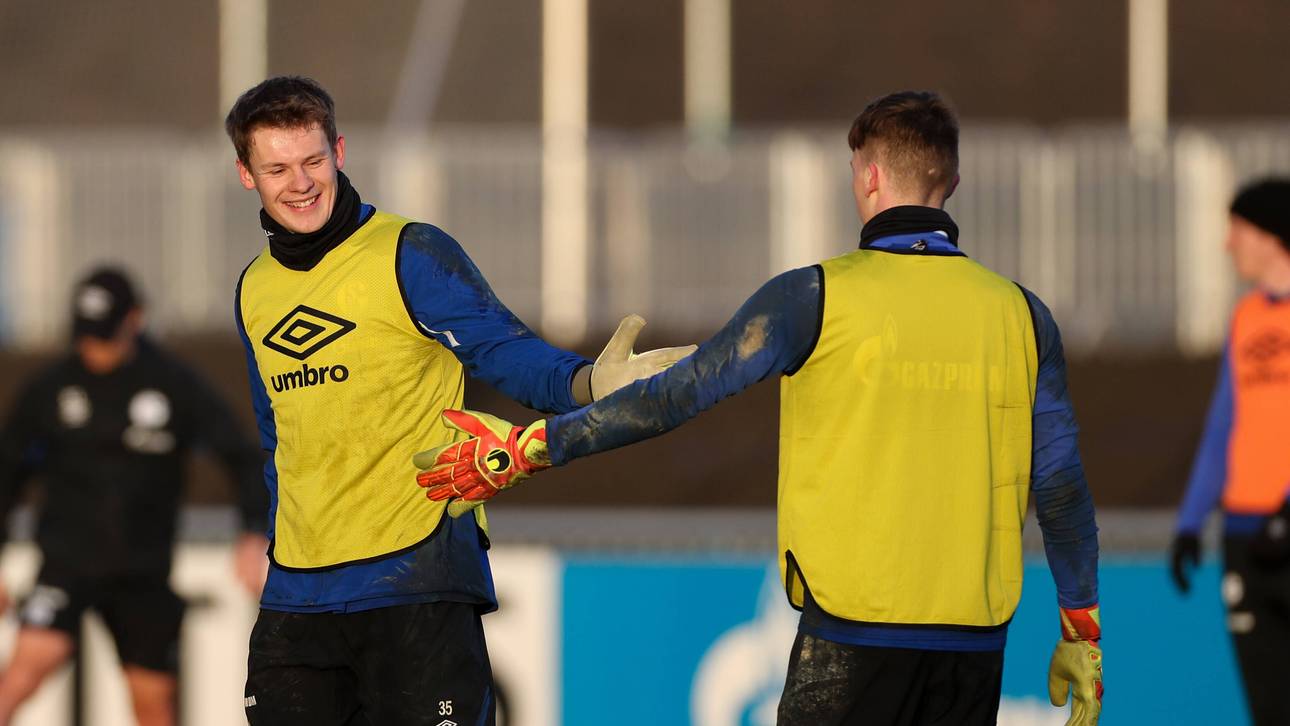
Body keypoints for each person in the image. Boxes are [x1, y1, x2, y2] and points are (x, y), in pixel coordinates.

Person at [418, 91, 1104, 726]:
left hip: (850, 639)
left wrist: (537, 445)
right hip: (972, 648)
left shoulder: (814, 297)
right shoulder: (1021, 316)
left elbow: (676, 396)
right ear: (950, 182)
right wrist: (1080, 624)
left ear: (867, 178)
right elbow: (1062, 486)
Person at [225, 75, 692, 726]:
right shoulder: (254, 289)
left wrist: (587, 383)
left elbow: (505, 350)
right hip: (299, 596)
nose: (300, 182)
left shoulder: (409, 253)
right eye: (277, 167)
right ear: (247, 174)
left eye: (312, 160)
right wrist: (274, 544)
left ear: (340, 150)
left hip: (418, 576)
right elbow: (277, 437)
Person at [0, 267, 270, 726]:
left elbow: (240, 454)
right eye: (86, 335)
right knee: (27, 668)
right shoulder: (50, 389)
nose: (95, 348)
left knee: (154, 704)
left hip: (143, 570)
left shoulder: (173, 384)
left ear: (135, 320)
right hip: (67, 563)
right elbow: (7, 471)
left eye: (105, 335)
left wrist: (252, 534)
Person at [1170, 178, 1290, 726]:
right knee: (1267, 704)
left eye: (1237, 228)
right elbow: (1224, 427)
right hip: (1246, 537)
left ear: (1270, 235)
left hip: (1285, 528)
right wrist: (1192, 522)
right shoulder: (1246, 318)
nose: (1227, 244)